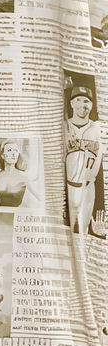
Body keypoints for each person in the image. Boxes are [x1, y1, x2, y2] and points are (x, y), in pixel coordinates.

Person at [65, 84, 102, 237]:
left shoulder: (99, 128)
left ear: (92, 105)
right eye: (78, 100)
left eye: (86, 101)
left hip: (88, 187)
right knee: (66, 232)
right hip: (68, 187)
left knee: (84, 231)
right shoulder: (63, 127)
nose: (83, 105)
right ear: (72, 104)